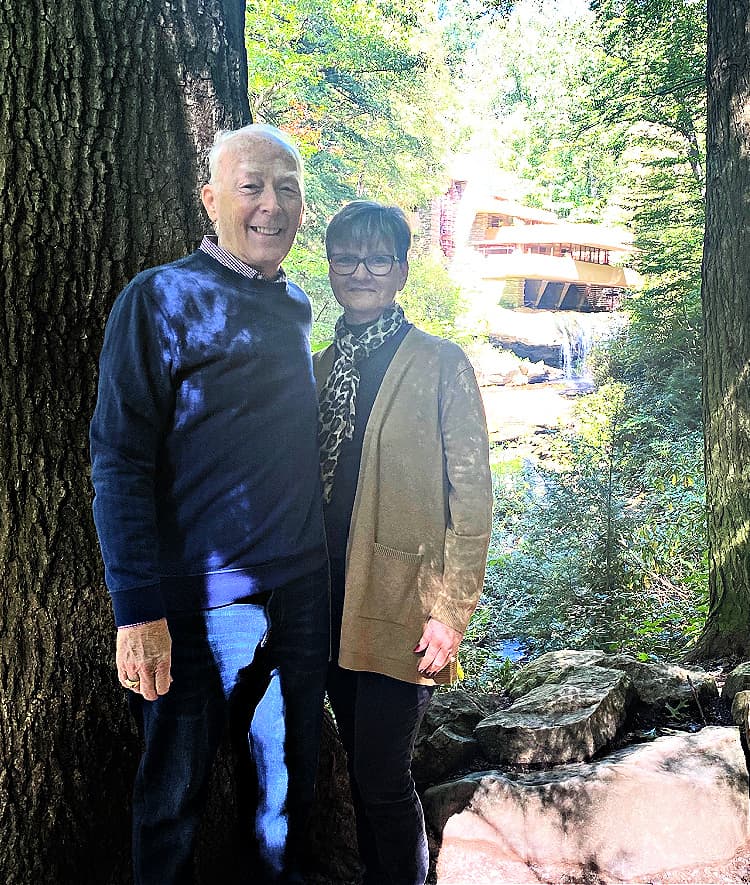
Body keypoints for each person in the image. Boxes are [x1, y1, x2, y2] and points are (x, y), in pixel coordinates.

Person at [90, 123, 329, 885]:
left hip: (297, 597)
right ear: (212, 197)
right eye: (252, 186)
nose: (271, 206)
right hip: (195, 611)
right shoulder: (158, 297)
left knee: (284, 797)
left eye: (287, 188)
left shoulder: (294, 305)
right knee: (172, 804)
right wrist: (137, 611)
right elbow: (119, 460)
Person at [314, 201, 493, 885]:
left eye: (378, 257)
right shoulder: (320, 366)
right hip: (326, 601)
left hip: (404, 607)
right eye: (347, 257)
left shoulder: (441, 363)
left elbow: (472, 498)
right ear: (330, 265)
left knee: (383, 774)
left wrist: (452, 611)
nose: (361, 271)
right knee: (360, 773)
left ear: (401, 269)